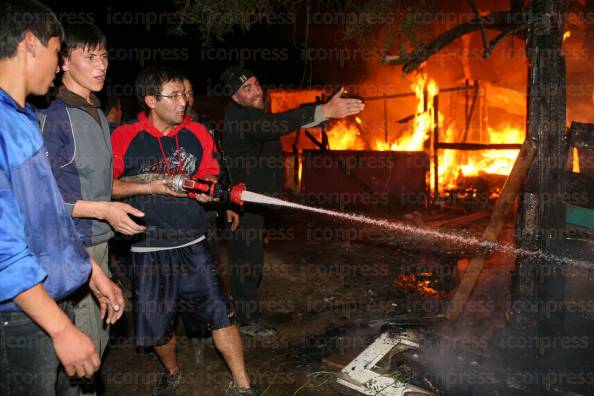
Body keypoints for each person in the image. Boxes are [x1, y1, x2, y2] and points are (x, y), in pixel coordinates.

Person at [0, 1, 124, 395]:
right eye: (58, 51)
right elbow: (5, 249)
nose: (57, 65)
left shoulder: (19, 119)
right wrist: (59, 327)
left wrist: (88, 269)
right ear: (30, 43)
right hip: (18, 314)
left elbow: (45, 218)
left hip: (50, 294)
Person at [111, 66, 258, 396]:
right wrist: (153, 187)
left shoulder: (197, 132)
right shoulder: (123, 136)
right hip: (147, 247)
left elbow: (210, 174)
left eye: (184, 94)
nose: (183, 101)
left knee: (221, 314)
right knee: (159, 328)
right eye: (174, 95)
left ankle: (243, 385)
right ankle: (173, 372)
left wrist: (211, 191)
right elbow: (107, 187)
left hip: (193, 242)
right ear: (151, 100)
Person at [40, 23, 145, 396]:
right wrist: (103, 210)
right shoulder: (54, 117)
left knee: (95, 344)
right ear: (63, 62)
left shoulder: (97, 113)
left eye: (104, 56)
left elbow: (100, 185)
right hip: (72, 248)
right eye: (89, 56)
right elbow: (40, 203)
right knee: (83, 358)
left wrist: (148, 187)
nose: (101, 65)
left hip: (99, 246)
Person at [220, 66, 365, 336]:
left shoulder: (252, 115)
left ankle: (236, 307)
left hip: (253, 200)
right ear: (235, 97)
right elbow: (274, 125)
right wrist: (322, 112)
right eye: (246, 89)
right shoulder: (241, 118)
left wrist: (321, 116)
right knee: (247, 261)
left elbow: (278, 124)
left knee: (247, 259)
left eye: (256, 83)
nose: (256, 91)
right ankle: (246, 319)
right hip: (242, 202)